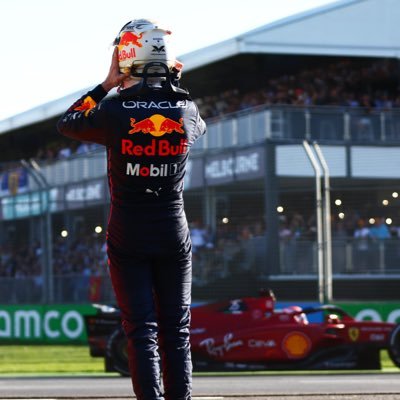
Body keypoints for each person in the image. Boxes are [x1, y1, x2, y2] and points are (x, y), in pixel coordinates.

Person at [57, 19, 206, 400]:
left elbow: (68, 122)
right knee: (177, 329)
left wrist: (107, 84)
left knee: (141, 330)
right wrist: (169, 82)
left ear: (123, 59)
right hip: (174, 229)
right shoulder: (185, 107)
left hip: (128, 231)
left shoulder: (115, 110)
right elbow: (199, 126)